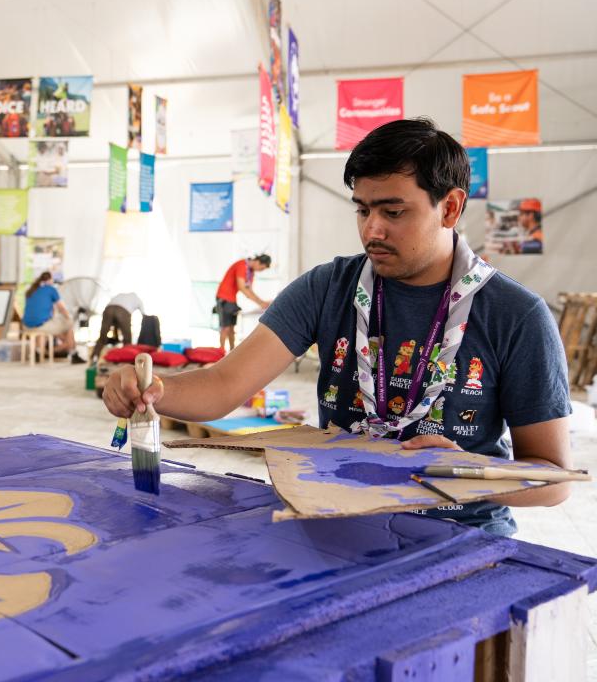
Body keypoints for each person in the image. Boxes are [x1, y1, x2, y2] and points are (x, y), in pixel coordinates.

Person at [104, 118, 571, 537]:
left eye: (393, 212)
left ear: (450, 208)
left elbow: (553, 480)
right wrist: (153, 390)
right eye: (362, 210)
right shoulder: (329, 288)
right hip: (336, 522)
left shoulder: (515, 314)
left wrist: (461, 472)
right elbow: (225, 385)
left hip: (458, 533)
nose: (372, 230)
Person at [213, 254, 272, 352]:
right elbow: (242, 287)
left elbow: (249, 291)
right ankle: (220, 352)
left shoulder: (250, 272)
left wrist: (262, 302)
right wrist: (261, 303)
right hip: (223, 298)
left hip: (232, 299)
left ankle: (232, 351)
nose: (260, 271)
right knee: (225, 328)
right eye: (261, 268)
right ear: (257, 261)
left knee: (232, 329)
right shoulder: (242, 265)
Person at [22, 272, 77, 359]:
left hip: (26, 325)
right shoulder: (51, 289)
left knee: (49, 327)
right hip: (41, 326)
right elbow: (62, 309)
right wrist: (68, 318)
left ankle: (39, 351)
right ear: (50, 280)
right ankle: (73, 352)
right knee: (69, 324)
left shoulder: (31, 290)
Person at [91, 291, 145, 365]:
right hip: (123, 311)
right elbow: (144, 314)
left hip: (108, 309)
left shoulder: (120, 295)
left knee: (102, 336)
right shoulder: (137, 298)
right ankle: (127, 362)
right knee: (127, 339)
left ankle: (95, 358)